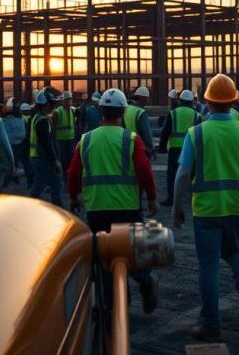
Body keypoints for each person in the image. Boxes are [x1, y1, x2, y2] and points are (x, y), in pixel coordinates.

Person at [172, 74, 239, 341]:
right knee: (235, 250)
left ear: (207, 100)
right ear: (234, 101)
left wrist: (176, 206)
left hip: (207, 209)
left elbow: (183, 173)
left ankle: (210, 323)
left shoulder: (196, 133)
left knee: (208, 265)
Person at [67, 88, 161, 313]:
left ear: (101, 111)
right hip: (128, 207)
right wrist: (152, 198)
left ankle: (114, 305)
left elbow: (73, 173)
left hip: (97, 209)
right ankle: (145, 283)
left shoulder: (86, 140)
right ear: (122, 112)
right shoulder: (131, 139)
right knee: (133, 252)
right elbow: (144, 170)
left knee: (104, 258)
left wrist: (73, 196)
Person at [158, 90, 202, 205]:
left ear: (180, 100)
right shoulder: (196, 114)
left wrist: (162, 147)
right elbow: (199, 134)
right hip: (191, 149)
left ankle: (171, 198)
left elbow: (165, 131)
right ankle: (196, 198)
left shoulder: (173, 113)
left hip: (175, 149)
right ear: (192, 101)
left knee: (172, 174)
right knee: (193, 175)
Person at [28, 89, 64, 206]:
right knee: (46, 185)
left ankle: (58, 207)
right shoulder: (43, 121)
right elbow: (46, 143)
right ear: (46, 104)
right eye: (53, 104)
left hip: (37, 157)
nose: (54, 106)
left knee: (50, 183)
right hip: (43, 159)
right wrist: (54, 160)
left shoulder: (37, 117)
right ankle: (59, 209)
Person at [1, 98, 28, 186]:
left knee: (15, 164)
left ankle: (10, 179)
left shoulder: (20, 117)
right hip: (14, 144)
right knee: (12, 164)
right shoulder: (7, 119)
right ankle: (7, 181)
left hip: (20, 144)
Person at [124, 86, 155, 159]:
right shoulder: (141, 112)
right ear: (143, 98)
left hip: (126, 146)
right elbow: (146, 133)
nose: (148, 101)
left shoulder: (126, 109)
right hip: (138, 149)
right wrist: (151, 149)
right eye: (147, 98)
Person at [53, 91, 77, 175]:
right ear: (63, 101)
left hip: (71, 140)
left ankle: (68, 177)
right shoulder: (58, 112)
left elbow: (74, 125)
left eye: (70, 99)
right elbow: (53, 128)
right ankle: (63, 177)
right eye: (67, 100)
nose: (69, 101)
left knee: (71, 160)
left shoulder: (72, 111)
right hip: (61, 141)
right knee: (63, 160)